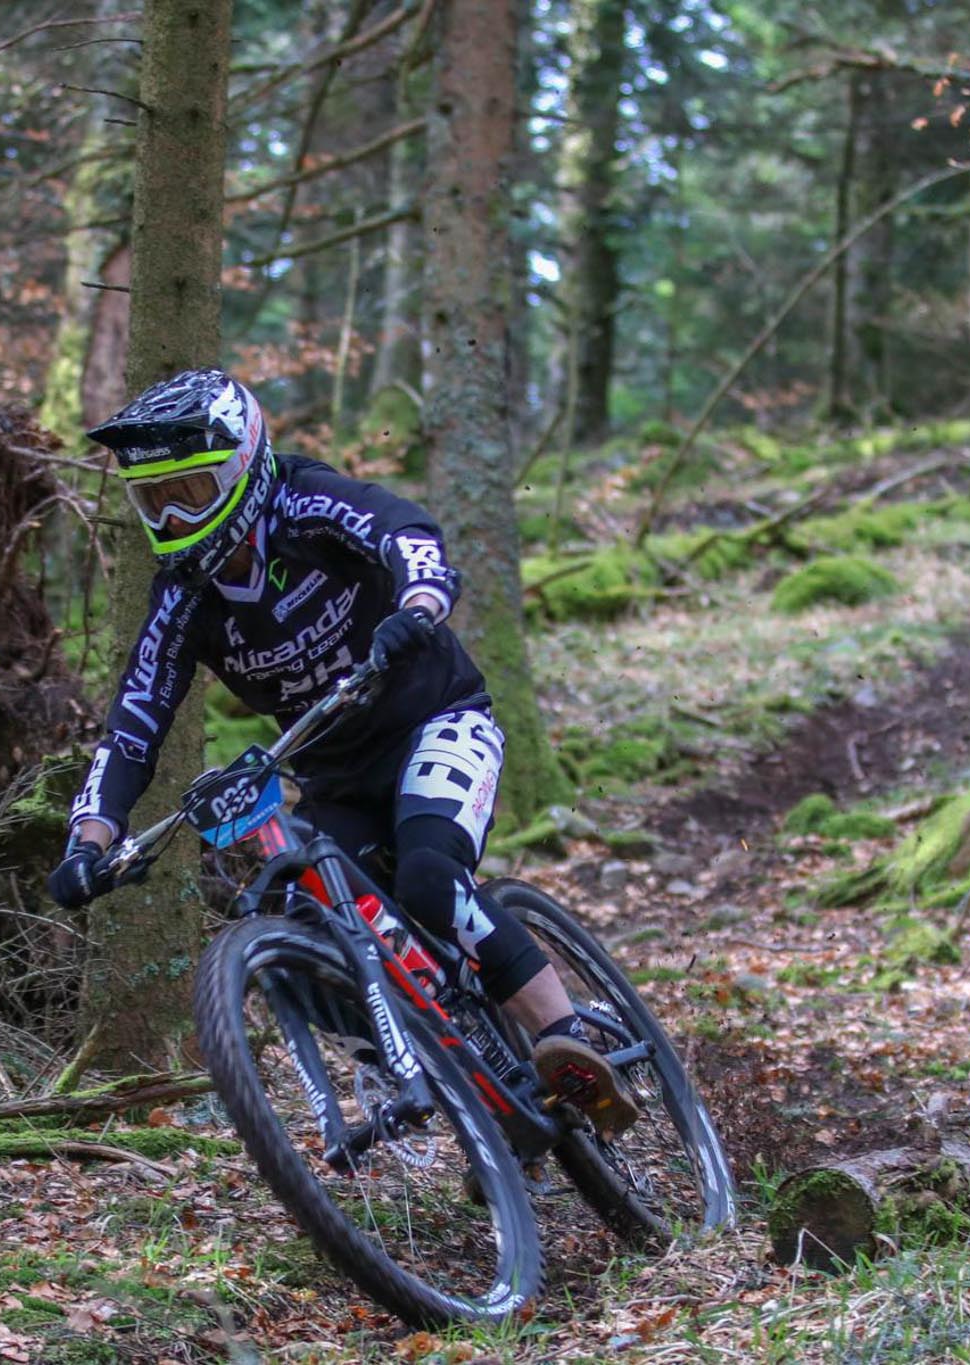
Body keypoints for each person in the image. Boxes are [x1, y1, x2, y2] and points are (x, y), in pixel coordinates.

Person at [47, 368, 638, 1133]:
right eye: (153, 499)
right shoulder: (181, 596)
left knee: (429, 877)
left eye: (189, 491)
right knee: (316, 930)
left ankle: (567, 1034)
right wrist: (89, 840)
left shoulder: (303, 501)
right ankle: (477, 1108)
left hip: (435, 719)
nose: (171, 513)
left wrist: (419, 606)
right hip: (334, 774)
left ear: (240, 467)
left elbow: (407, 531)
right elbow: (133, 722)